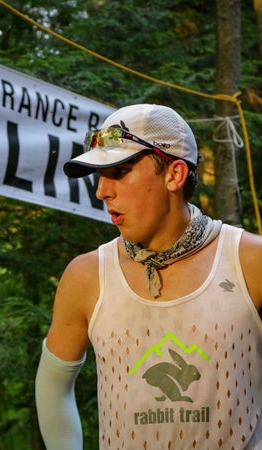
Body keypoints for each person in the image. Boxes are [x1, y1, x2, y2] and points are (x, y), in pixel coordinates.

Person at [35, 104, 262, 449]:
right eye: (100, 175)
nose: (101, 192)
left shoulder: (250, 261)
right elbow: (53, 386)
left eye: (120, 171)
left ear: (174, 174)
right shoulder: (86, 276)